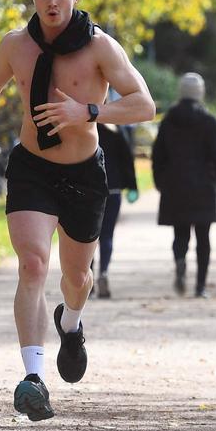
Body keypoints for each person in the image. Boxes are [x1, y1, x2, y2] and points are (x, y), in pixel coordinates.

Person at [0, 0, 155, 421]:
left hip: (84, 172)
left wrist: (90, 112)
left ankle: (72, 322)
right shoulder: (16, 44)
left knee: (77, 277)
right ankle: (33, 377)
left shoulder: (101, 47)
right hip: (32, 168)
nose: (52, 4)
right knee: (33, 264)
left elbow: (144, 105)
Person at [151, 73, 216, 298]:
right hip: (204, 187)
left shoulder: (169, 120)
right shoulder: (209, 121)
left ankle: (180, 261)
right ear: (200, 92)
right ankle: (200, 287)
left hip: (175, 185)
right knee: (203, 238)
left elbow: (158, 153)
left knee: (180, 234)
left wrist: (160, 181)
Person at [94, 121, 139, 299]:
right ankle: (103, 272)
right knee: (107, 235)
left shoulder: (79, 126)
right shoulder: (115, 130)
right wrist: (132, 186)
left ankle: (85, 279)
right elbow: (127, 159)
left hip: (87, 189)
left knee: (84, 237)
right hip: (113, 188)